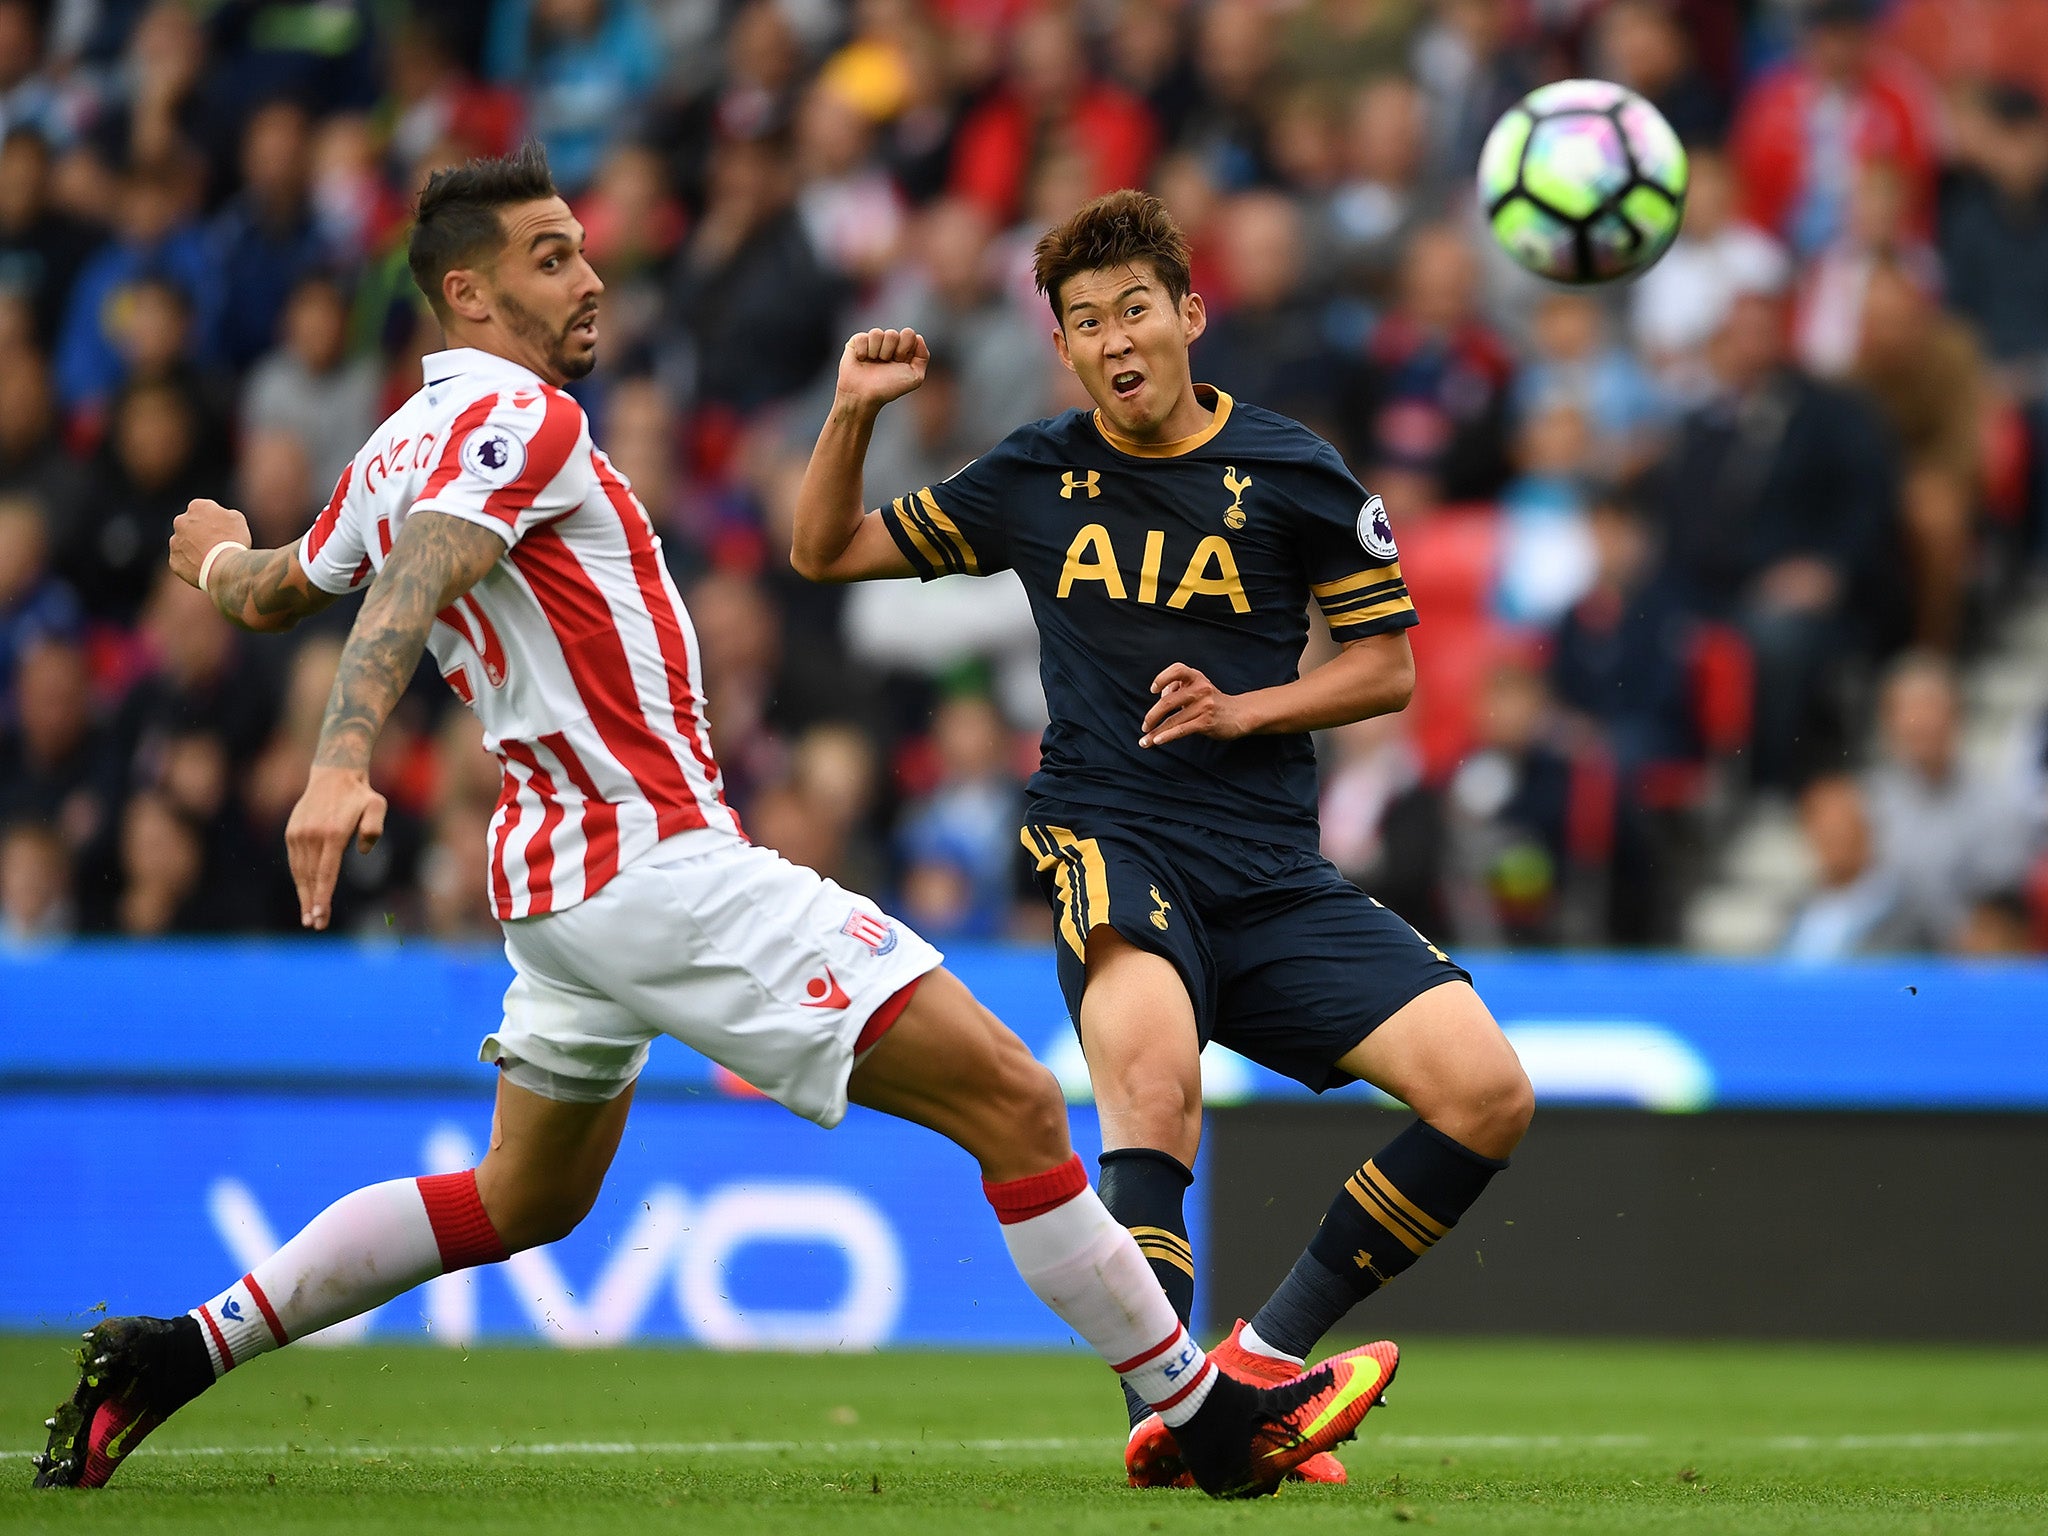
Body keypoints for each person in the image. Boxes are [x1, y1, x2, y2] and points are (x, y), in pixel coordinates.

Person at [31, 148, 1388, 1500]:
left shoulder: (395, 445)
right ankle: (1207, 1420)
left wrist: (216, 557)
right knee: (1018, 1102)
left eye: (581, 246)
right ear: (470, 294)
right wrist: (339, 761)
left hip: (557, 886)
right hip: (652, 861)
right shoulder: (520, 420)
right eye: (550, 257)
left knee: (521, 1197)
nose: (589, 276)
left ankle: (175, 1351)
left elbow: (285, 585)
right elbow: (419, 577)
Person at [791, 190, 1532, 1489]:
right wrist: (853, 412)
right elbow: (825, 550)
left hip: (1272, 868)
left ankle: (1256, 1365)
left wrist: (1248, 707)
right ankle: (1181, 1413)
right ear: (1064, 349)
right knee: (1156, 1093)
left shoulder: (1295, 471)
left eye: (1135, 309)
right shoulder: (1033, 475)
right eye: (1086, 322)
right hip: (1111, 836)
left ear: (1189, 314)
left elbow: (1385, 669)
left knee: (1488, 1096)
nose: (1115, 338)